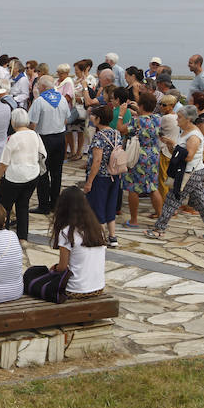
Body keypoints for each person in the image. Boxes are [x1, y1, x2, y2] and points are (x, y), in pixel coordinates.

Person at [147, 106, 204, 240]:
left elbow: (188, 156)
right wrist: (170, 146)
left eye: (179, 117)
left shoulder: (193, 136)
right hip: (194, 172)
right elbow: (176, 153)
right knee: (203, 202)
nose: (177, 120)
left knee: (172, 200)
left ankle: (159, 229)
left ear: (189, 119)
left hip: (189, 173)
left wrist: (174, 145)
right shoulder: (185, 131)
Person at [0, 108, 46, 241]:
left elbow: (4, 163)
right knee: (23, 206)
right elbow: (43, 154)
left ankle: (3, 236)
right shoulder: (35, 135)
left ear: (13, 122)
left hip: (14, 176)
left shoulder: (13, 138)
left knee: (3, 207)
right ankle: (22, 238)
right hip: (32, 174)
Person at [50, 187, 107, 299]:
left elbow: (62, 267)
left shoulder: (67, 232)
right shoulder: (97, 229)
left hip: (75, 289)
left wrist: (54, 268)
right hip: (98, 287)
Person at [118, 92, 163, 227]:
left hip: (138, 156)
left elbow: (121, 129)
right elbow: (147, 116)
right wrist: (139, 109)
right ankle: (161, 218)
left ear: (142, 105)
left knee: (133, 188)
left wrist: (121, 114)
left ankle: (134, 220)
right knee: (153, 187)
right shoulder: (157, 118)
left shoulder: (136, 121)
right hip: (154, 154)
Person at [28, 75, 70, 215]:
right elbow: (66, 120)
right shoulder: (62, 99)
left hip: (44, 139)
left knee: (43, 172)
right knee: (56, 173)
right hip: (60, 138)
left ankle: (44, 205)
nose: (37, 88)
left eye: (38, 86)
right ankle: (55, 204)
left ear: (44, 87)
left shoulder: (39, 101)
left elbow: (32, 123)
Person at [83, 105, 121, 248]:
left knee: (97, 207)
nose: (91, 117)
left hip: (101, 177)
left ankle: (100, 238)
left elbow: (97, 161)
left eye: (94, 115)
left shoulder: (99, 136)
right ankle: (112, 236)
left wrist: (89, 182)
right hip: (115, 175)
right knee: (110, 206)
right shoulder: (117, 133)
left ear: (99, 119)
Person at [156, 94, 181, 201]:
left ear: (171, 106)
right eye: (160, 104)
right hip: (173, 151)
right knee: (170, 180)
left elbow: (155, 128)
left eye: (164, 105)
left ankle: (163, 205)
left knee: (163, 180)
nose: (161, 107)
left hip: (165, 151)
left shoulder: (166, 118)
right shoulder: (176, 116)